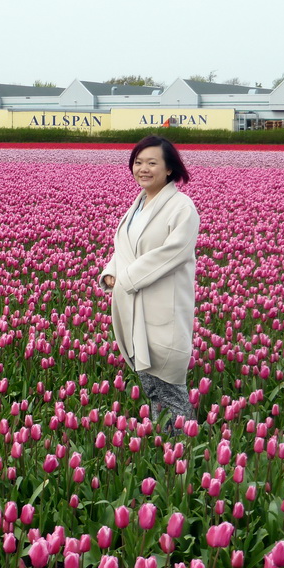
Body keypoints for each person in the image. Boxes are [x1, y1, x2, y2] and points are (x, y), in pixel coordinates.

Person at [100, 135, 200, 432]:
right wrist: (110, 273)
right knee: (152, 387)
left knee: (170, 385)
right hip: (133, 305)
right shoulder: (138, 205)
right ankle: (164, 442)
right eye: (138, 162)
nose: (143, 169)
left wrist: (126, 279)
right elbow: (125, 248)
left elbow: (175, 252)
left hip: (162, 304)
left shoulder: (182, 207)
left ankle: (185, 447)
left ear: (169, 168)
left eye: (152, 163)